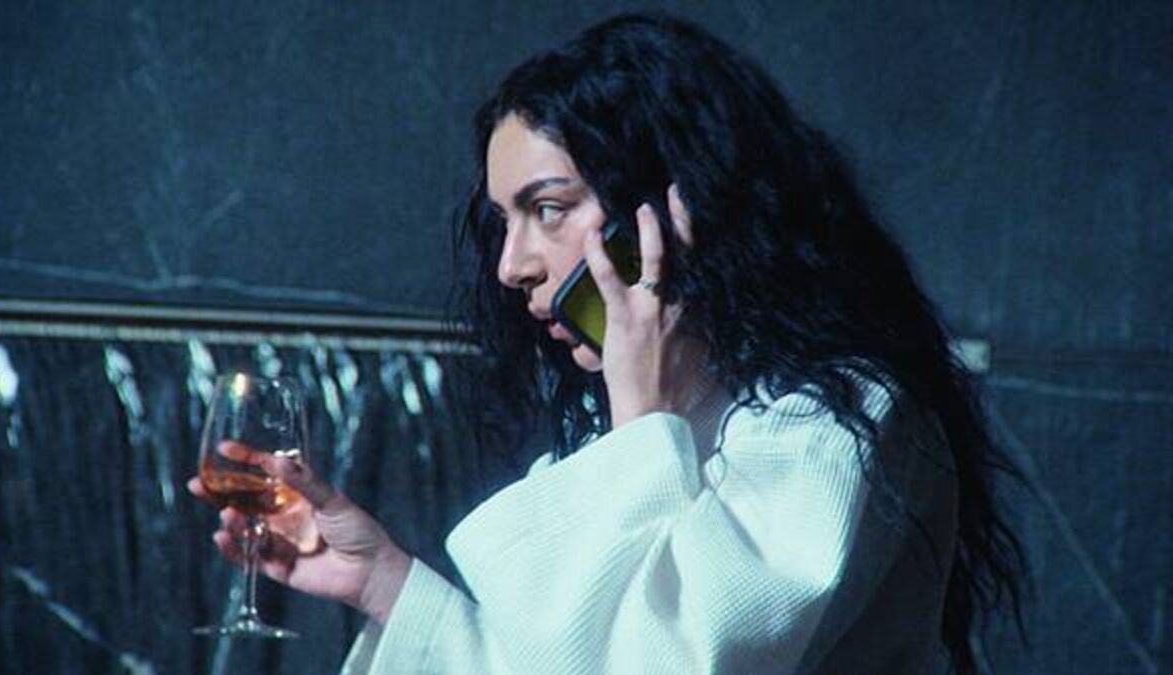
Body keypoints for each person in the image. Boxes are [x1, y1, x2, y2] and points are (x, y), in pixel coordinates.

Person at [189, 11, 1027, 674]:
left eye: (549, 207)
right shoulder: (620, 431)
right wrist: (384, 580)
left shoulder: (838, 423)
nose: (512, 264)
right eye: (504, 220)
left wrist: (641, 421)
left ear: (672, 208)